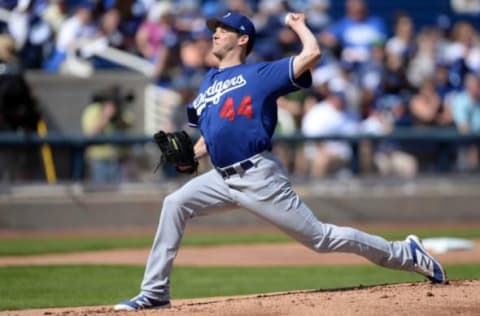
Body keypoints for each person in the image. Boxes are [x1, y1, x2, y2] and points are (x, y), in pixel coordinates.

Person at [114, 11, 447, 311]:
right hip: (221, 177)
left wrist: (299, 26)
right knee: (175, 203)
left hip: (257, 175)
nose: (214, 34)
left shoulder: (259, 73)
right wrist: (192, 157)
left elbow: (312, 54)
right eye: (214, 29)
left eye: (223, 29)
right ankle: (155, 293)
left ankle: (406, 253)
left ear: (242, 39)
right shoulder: (207, 83)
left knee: (321, 238)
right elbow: (208, 136)